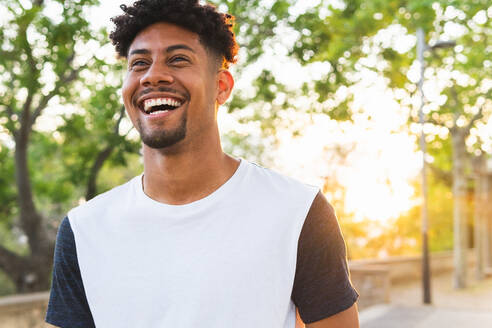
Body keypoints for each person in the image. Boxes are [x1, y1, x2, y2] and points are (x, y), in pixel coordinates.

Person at [45, 0, 359, 327]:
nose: (153, 76)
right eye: (138, 64)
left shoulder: (298, 211)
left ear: (221, 86)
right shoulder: (84, 230)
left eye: (178, 59)